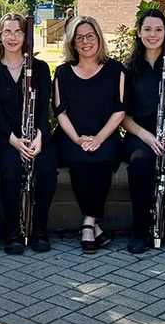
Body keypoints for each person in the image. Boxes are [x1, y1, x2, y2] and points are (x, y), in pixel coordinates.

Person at [120, 9, 165, 254]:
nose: (153, 35)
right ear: (139, 32)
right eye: (148, 29)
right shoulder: (128, 69)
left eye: (159, 29)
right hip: (140, 132)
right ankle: (140, 232)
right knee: (141, 163)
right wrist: (146, 136)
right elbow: (122, 116)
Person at [53, 16, 126, 254]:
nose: (85, 42)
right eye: (79, 38)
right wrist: (77, 139)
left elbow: (119, 110)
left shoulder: (116, 70)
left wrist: (98, 138)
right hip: (70, 136)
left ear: (98, 38)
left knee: (104, 163)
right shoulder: (63, 73)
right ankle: (95, 228)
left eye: (90, 36)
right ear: (73, 44)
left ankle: (87, 224)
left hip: (106, 135)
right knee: (79, 164)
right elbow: (60, 112)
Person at [0, 14, 57, 254]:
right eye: (7, 32)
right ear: (0, 36)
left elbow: (43, 108)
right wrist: (15, 142)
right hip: (8, 138)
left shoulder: (40, 69)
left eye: (18, 32)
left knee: (47, 169)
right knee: (10, 171)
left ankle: (39, 229)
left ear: (25, 36)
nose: (13, 37)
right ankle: (12, 232)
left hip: (37, 135)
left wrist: (39, 138)